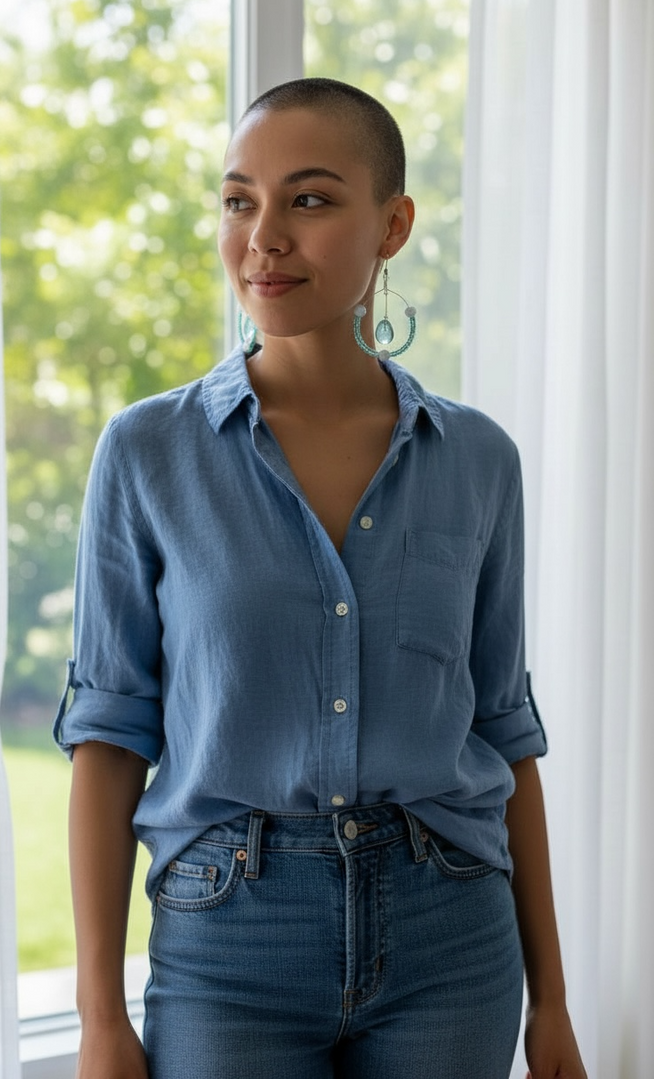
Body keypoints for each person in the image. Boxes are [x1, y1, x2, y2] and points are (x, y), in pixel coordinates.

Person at [54, 77, 587, 1079]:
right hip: (230, 941)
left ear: (392, 226)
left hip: (451, 934)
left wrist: (551, 1003)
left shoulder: (479, 461)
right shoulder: (147, 452)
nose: (263, 237)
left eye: (307, 199)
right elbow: (109, 735)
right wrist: (99, 1019)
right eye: (238, 200)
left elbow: (504, 732)